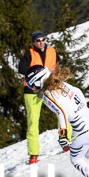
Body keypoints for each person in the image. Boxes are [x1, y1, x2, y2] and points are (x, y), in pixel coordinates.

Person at [18, 31, 60, 164]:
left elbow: (59, 65)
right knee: (33, 122)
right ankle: (33, 154)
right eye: (38, 40)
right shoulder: (29, 53)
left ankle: (67, 142)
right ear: (34, 42)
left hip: (50, 87)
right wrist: (37, 71)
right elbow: (21, 68)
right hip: (32, 91)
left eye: (43, 39)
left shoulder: (52, 51)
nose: (41, 42)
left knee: (62, 113)